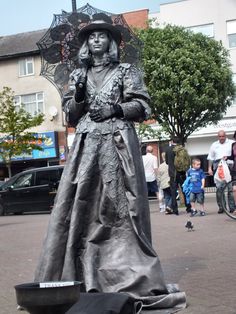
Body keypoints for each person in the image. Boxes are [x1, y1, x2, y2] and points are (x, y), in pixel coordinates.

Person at [34, 13, 186, 311]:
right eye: (91, 37)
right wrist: (77, 95)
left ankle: (124, 270)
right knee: (82, 205)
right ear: (86, 45)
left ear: (112, 42)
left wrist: (116, 108)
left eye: (102, 35)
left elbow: (142, 106)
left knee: (120, 207)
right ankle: (80, 271)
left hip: (118, 144)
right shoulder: (78, 75)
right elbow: (71, 116)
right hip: (87, 145)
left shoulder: (127, 71)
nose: (96, 40)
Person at [207, 129, 234, 213]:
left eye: (223, 136)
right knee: (219, 189)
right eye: (220, 136)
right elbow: (210, 158)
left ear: (225, 136)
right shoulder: (214, 145)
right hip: (218, 166)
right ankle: (222, 207)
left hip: (229, 166)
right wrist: (209, 168)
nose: (221, 138)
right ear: (218, 137)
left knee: (230, 188)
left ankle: (232, 207)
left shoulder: (231, 143)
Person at [165, 136, 191, 215]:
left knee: (173, 192)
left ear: (172, 141)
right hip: (182, 173)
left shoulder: (168, 149)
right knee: (184, 190)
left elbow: (166, 162)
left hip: (173, 173)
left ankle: (175, 210)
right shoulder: (182, 149)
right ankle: (188, 207)